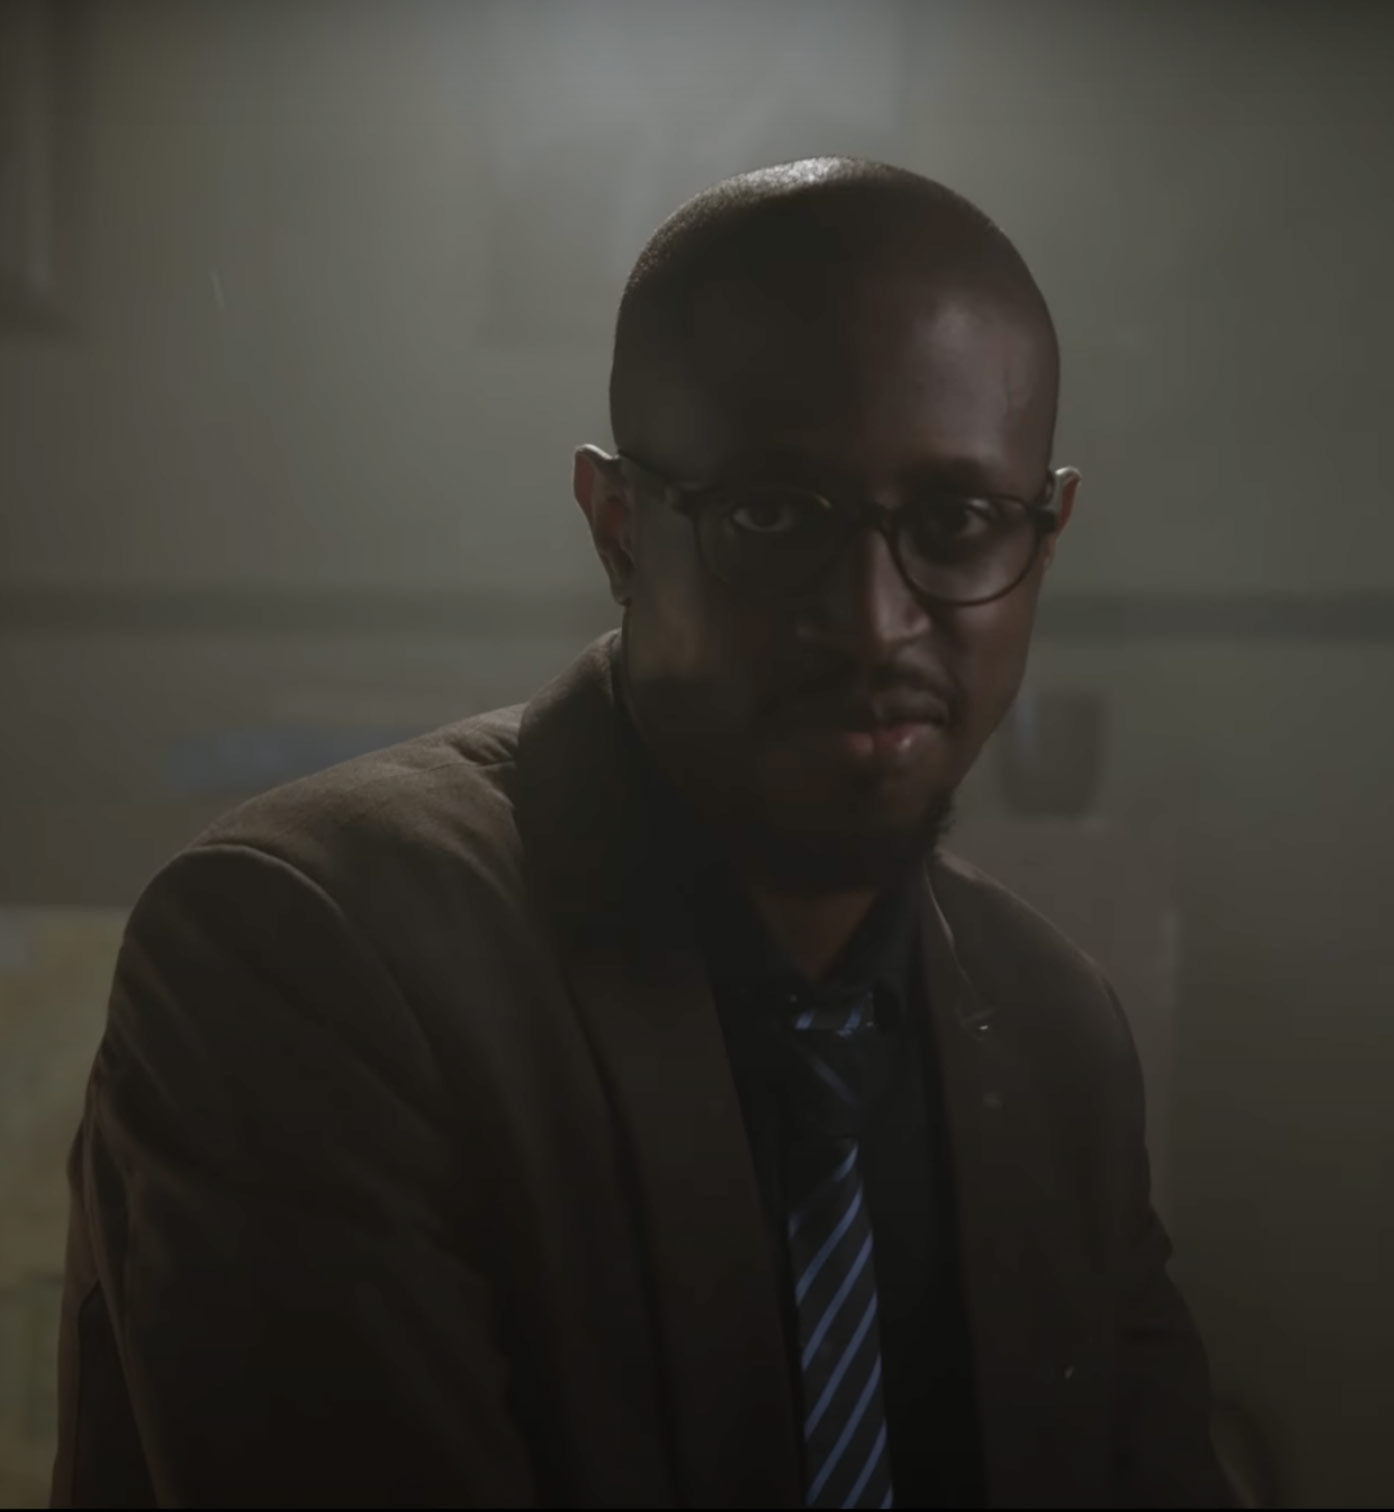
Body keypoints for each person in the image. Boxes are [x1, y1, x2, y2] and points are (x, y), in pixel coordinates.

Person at [51, 157, 1234, 1509]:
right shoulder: (302, 950)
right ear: (617, 529)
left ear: (1046, 533)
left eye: (957, 522)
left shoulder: (1054, 1028)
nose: (872, 619)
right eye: (773, 515)